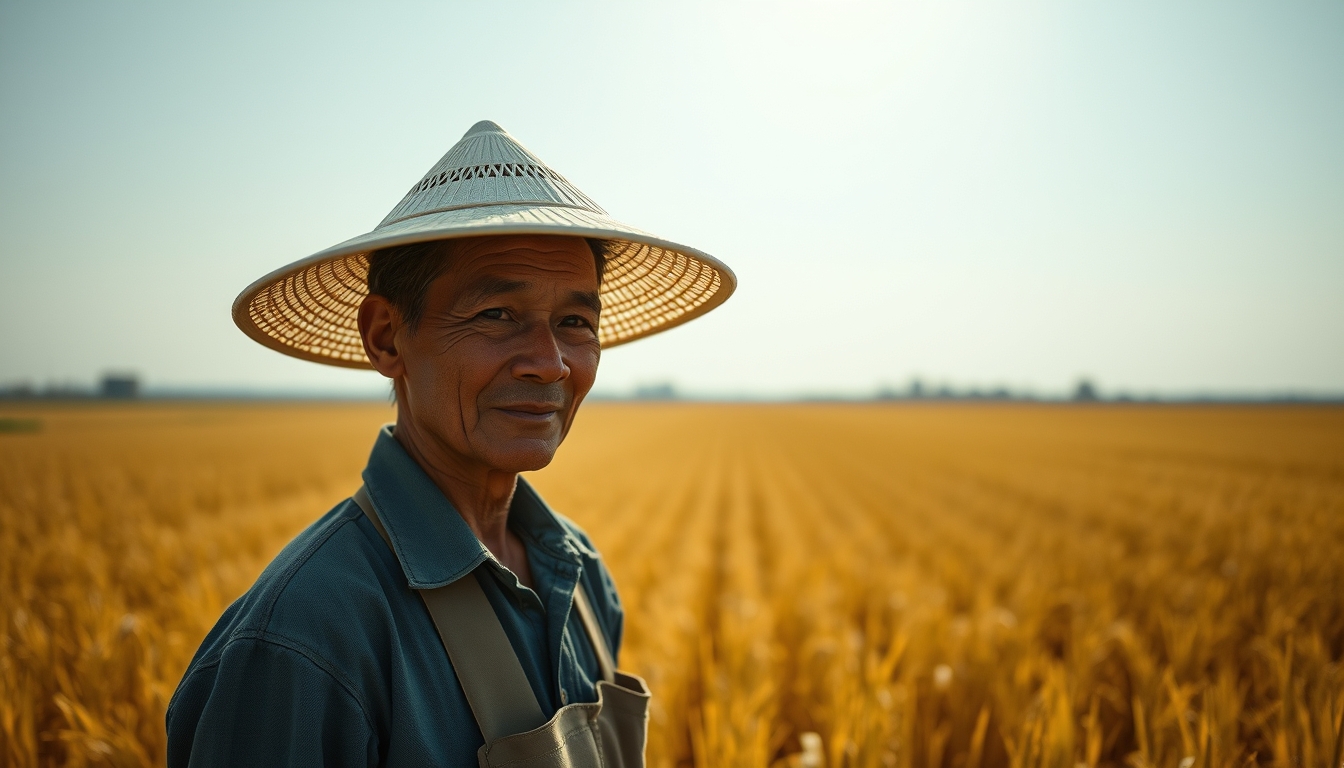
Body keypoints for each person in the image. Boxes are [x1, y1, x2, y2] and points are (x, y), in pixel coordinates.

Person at [166, 121, 735, 767]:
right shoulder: (303, 639)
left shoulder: (580, 574)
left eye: (575, 322)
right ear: (386, 337)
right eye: (497, 315)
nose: (550, 364)